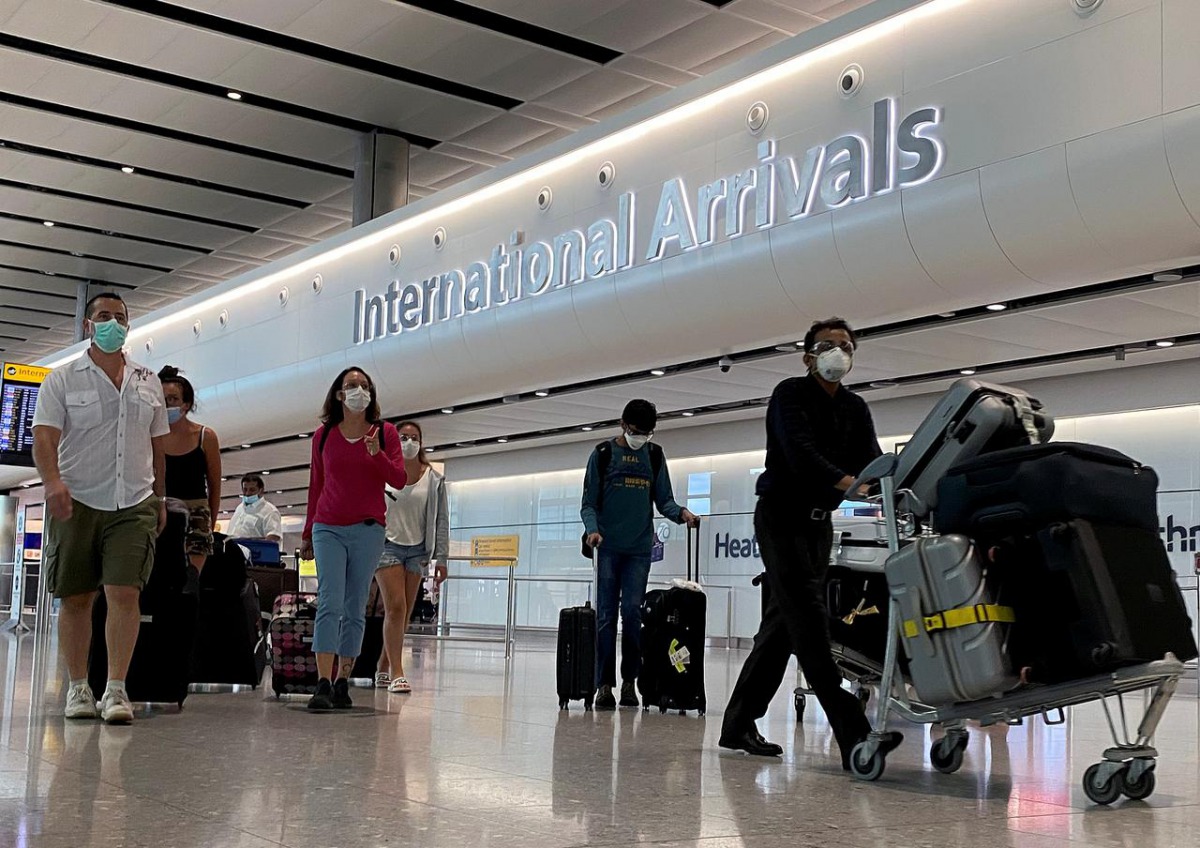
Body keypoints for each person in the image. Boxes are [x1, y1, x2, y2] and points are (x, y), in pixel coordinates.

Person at [719, 317, 903, 768]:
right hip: (781, 518)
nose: (838, 352)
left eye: (846, 345)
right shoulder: (789, 394)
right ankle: (853, 732)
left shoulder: (855, 407)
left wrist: (893, 483)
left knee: (783, 626)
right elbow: (800, 453)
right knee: (810, 622)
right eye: (827, 345)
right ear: (808, 357)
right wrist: (846, 482)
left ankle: (738, 723)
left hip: (819, 525)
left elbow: (871, 458)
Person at [31, 292, 169, 724]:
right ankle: (77, 688)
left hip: (133, 501)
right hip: (77, 500)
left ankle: (115, 689)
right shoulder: (63, 378)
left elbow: (158, 445)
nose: (113, 323)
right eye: (104, 317)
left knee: (125, 593)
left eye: (120, 317)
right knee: (76, 597)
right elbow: (45, 438)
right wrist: (52, 483)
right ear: (89, 325)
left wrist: (160, 498)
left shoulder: (148, 381)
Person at [580, 399, 700, 711]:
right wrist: (592, 530)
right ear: (623, 425)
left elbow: (665, 500)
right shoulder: (603, 455)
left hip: (638, 550)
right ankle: (603, 685)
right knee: (606, 616)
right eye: (636, 431)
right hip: (606, 548)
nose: (640, 438)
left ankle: (630, 682)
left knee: (632, 614)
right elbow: (588, 503)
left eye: (646, 433)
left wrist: (682, 513)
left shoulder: (655, 455)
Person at [300, 367, 406, 711]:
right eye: (351, 385)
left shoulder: (386, 433)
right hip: (328, 526)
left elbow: (399, 479)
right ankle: (323, 681)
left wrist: (375, 455)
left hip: (368, 529)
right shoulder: (324, 435)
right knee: (329, 601)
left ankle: (344, 677)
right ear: (339, 395)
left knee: (355, 605)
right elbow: (317, 484)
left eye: (364, 385)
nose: (359, 390)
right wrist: (307, 533)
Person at [373, 421, 449, 694]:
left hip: (418, 550)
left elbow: (441, 521)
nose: (408, 442)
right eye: (403, 437)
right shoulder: (383, 472)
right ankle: (397, 671)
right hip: (387, 546)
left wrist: (441, 558)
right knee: (395, 606)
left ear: (421, 442)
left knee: (403, 614)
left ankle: (383, 663)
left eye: (414, 437)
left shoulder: (433, 479)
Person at [158, 366, 221, 575]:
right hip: (160, 513)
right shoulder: (151, 437)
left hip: (196, 515)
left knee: (189, 582)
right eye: (162, 399)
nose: (166, 405)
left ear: (186, 404)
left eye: (173, 399)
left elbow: (214, 485)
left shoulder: (205, 437)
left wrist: (209, 526)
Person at [226, 474, 283, 542]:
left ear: (261, 490)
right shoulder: (239, 508)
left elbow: (273, 536)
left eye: (252, 490)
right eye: (245, 489)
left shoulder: (270, 511)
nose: (247, 493)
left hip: (254, 551)